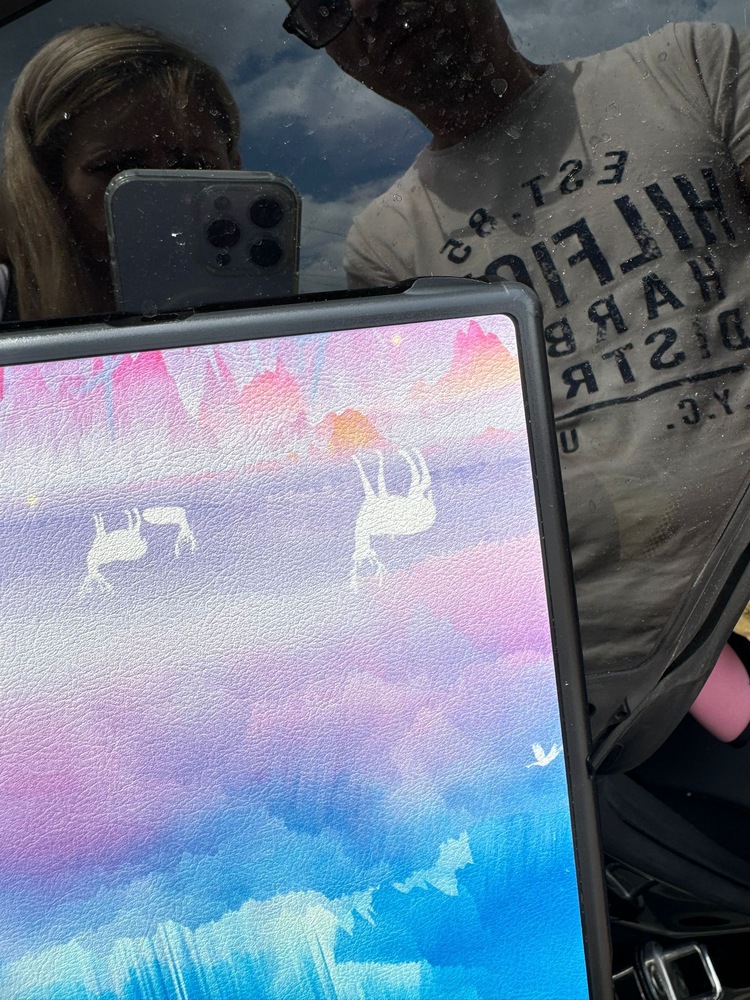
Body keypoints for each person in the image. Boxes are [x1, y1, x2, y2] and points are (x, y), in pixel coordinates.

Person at [284, 0, 750, 743]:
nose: (370, 12)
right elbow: (462, 490)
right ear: (328, 49)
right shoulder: (386, 245)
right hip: (611, 699)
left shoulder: (691, 66)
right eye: (325, 7)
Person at [0, 24, 241, 321]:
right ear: (50, 185)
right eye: (117, 169)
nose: (162, 201)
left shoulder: (282, 298)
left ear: (236, 171)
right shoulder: (6, 300)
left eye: (195, 166)